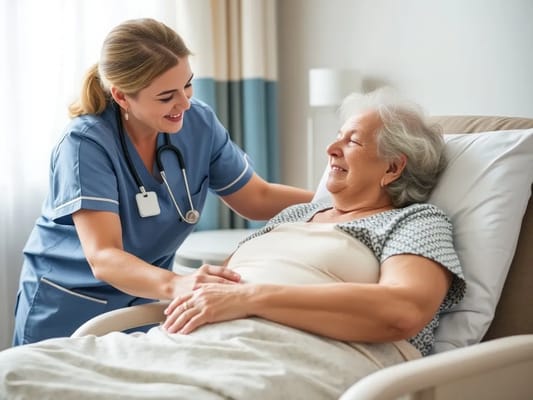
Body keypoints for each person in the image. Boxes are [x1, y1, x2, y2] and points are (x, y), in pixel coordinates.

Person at [0, 88, 465, 399]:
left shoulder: (417, 221)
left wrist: (249, 298)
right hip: (179, 349)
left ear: (393, 169)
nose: (330, 149)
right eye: (337, 137)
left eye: (353, 141)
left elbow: (402, 310)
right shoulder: (296, 216)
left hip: (278, 359)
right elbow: (219, 285)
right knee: (14, 372)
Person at [12, 18, 313, 346]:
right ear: (122, 97)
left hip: (143, 301)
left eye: (188, 84)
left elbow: (256, 196)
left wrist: (333, 201)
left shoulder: (198, 122)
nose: (184, 103)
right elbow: (104, 256)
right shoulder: (85, 144)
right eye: (167, 95)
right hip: (70, 307)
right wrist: (176, 285)